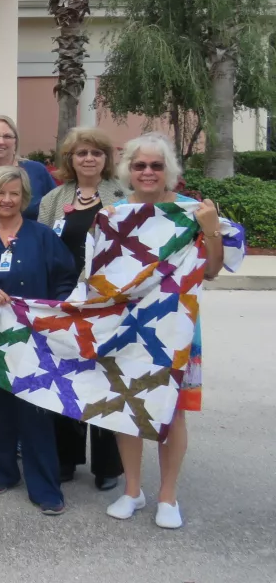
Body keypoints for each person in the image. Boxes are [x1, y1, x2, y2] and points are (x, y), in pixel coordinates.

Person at [104, 133, 224, 530]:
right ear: (129, 171)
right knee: (129, 409)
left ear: (168, 171)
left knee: (173, 413)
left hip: (179, 328)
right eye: (140, 166)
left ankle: (168, 496)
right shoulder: (115, 213)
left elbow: (211, 270)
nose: (148, 172)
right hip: (128, 329)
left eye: (156, 165)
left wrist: (211, 230)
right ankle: (133, 491)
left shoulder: (193, 212)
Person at [0, 166, 76, 516]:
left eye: (14, 193)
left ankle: (44, 486)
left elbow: (65, 280)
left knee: (36, 410)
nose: (7, 200)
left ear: (25, 198)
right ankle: (1, 472)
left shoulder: (42, 237)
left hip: (34, 338)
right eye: (0, 193)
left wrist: (53, 317)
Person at [37, 128, 125, 492]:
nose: (88, 158)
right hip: (65, 302)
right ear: (70, 160)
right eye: (81, 153)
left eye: (96, 153)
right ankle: (66, 458)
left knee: (106, 381)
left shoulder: (122, 194)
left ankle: (108, 465)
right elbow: (41, 245)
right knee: (69, 380)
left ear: (106, 159)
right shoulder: (54, 198)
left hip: (109, 302)